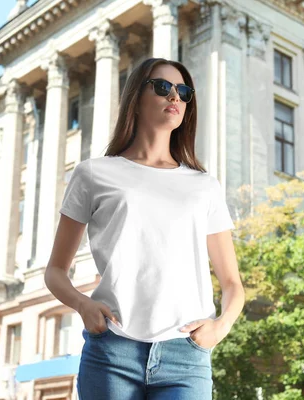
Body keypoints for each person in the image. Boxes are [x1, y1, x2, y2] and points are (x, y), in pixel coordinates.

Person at [44, 57, 245, 399]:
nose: (175, 98)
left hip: (186, 356)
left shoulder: (204, 185)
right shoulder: (93, 174)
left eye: (183, 91)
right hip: (112, 353)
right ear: (135, 99)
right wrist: (83, 305)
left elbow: (232, 284)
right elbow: (55, 271)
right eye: (163, 87)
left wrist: (219, 328)